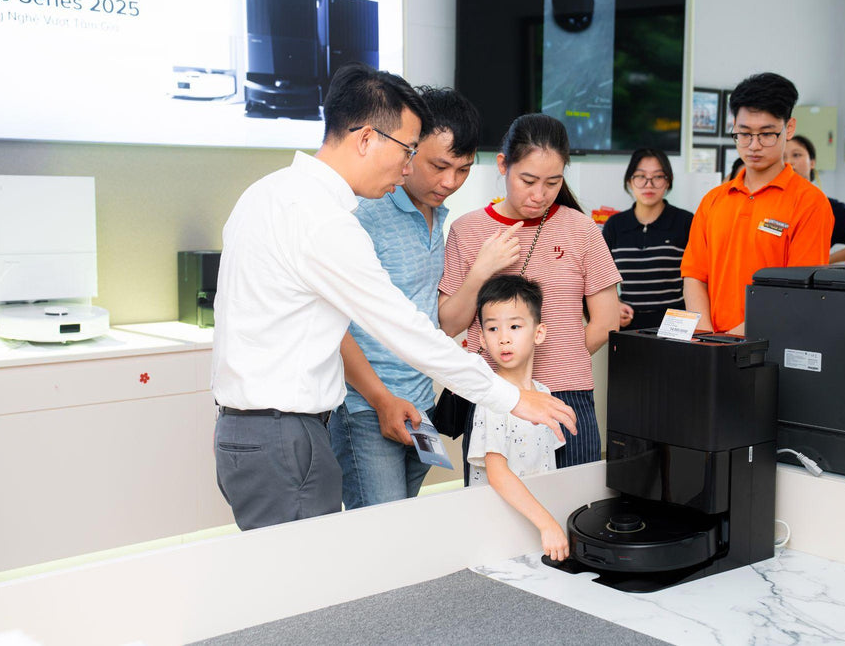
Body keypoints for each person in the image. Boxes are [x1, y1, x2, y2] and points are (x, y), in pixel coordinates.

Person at [211, 65, 576, 531]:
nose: (407, 169)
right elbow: (403, 328)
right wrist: (510, 397)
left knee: (306, 565)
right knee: (321, 565)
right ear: (367, 139)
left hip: (262, 429)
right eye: (407, 151)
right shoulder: (324, 221)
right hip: (284, 431)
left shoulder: (269, 193)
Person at [330, 87, 512, 510]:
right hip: (366, 406)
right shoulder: (365, 212)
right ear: (409, 151)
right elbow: (334, 326)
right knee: (380, 535)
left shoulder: (438, 215)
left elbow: (438, 324)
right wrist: (380, 400)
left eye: (463, 170)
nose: (450, 182)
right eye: (438, 166)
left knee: (405, 524)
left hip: (420, 402)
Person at [440, 113, 621, 479]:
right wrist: (481, 271)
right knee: (494, 503)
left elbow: (606, 321)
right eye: (528, 180)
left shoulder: (582, 229)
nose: (540, 195)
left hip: (567, 394)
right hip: (493, 392)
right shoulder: (467, 230)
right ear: (503, 165)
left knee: (573, 502)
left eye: (553, 182)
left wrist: (561, 360)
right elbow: (449, 324)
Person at [681, 72, 833, 334]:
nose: (753, 145)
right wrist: (706, 338)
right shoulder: (713, 200)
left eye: (766, 134)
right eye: (744, 134)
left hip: (772, 345)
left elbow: (799, 292)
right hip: (712, 344)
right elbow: (695, 276)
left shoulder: (810, 202)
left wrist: (732, 341)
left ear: (789, 128)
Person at [467, 275, 569, 561]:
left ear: (539, 333)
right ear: (482, 338)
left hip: (534, 529)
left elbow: (547, 467)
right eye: (493, 328)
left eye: (514, 326)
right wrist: (546, 523)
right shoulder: (493, 399)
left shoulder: (544, 394)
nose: (504, 338)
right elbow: (497, 474)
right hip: (498, 532)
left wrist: (548, 522)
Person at [602, 148, 693, 330]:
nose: (648, 184)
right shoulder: (615, 225)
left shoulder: (685, 222)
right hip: (629, 326)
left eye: (658, 177)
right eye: (640, 176)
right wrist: (615, 305)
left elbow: (698, 279)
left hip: (675, 327)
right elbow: (600, 278)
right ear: (630, 181)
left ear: (668, 181)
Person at [784, 134, 845, 263]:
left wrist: (828, 260)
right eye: (783, 158)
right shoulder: (770, 204)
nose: (789, 162)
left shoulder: (830, 208)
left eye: (796, 155)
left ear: (812, 162)